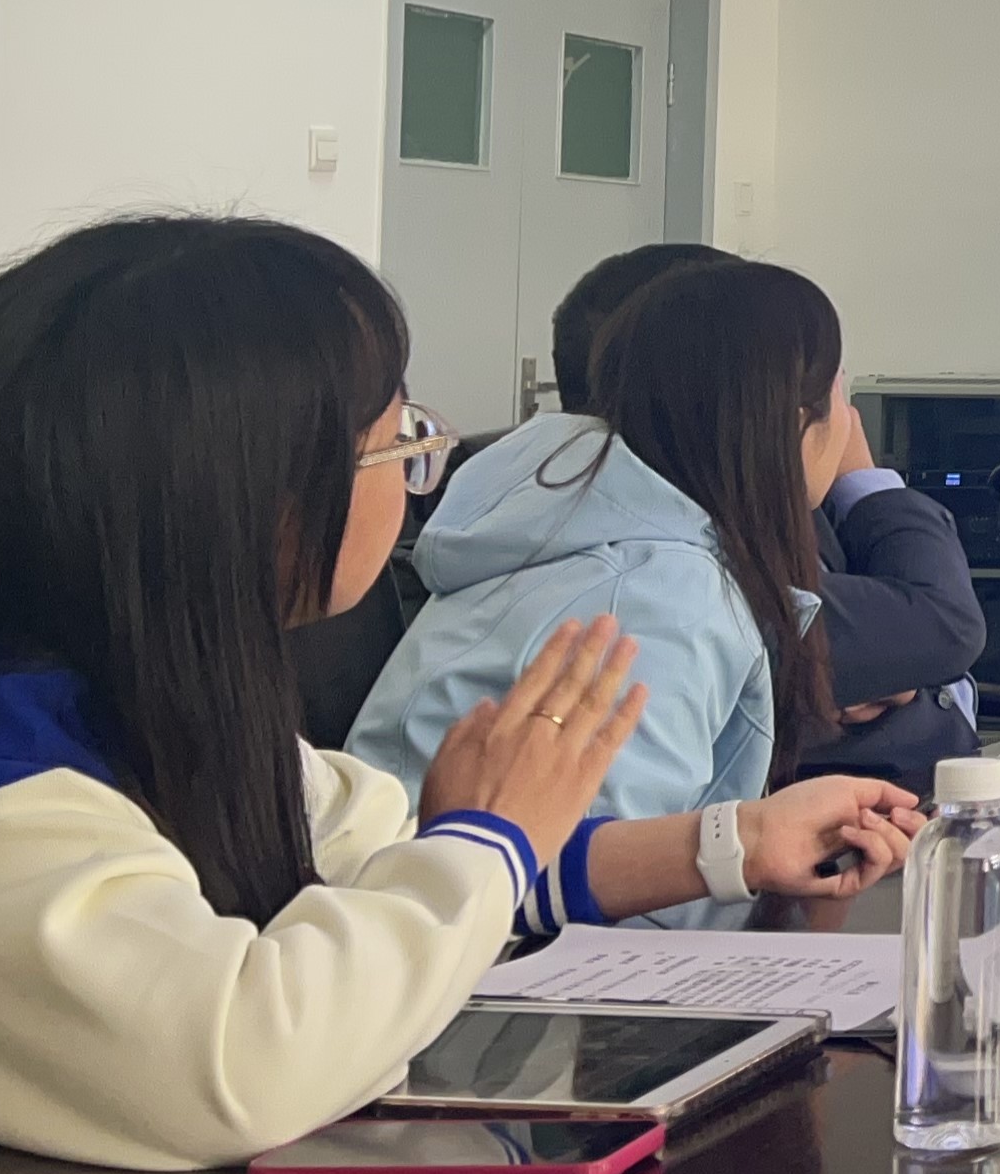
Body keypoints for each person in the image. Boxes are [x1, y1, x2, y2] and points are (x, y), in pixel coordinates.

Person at [0, 217, 916, 1172]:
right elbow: (245, 1059)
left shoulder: (151, 704)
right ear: (260, 497)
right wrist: (484, 839)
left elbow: (398, 872)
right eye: (398, 444)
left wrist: (731, 845)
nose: (418, 478)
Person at [357, 260, 855, 836]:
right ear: (794, 422)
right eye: (841, 389)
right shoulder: (664, 600)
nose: (850, 420)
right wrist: (751, 848)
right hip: (453, 886)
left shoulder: (579, 513)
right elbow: (582, 868)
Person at [545, 244, 985, 788]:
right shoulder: (670, 562)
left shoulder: (756, 501)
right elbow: (942, 623)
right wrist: (860, 473)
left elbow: (916, 641)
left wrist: (899, 665)